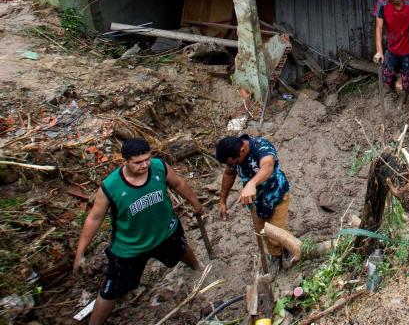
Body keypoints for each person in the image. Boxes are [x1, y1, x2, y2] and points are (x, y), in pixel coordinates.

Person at [73, 139, 204, 325]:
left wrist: (195, 203)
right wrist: (80, 252)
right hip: (129, 248)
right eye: (138, 162)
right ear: (124, 160)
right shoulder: (111, 186)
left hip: (165, 232)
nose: (144, 165)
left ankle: (199, 272)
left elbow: (179, 183)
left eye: (147, 159)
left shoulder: (158, 167)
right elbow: (94, 218)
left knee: (182, 250)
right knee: (111, 291)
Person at [216, 134, 291, 273]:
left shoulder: (261, 146)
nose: (235, 165)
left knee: (276, 233)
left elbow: (267, 165)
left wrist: (251, 183)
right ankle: (276, 255)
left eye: (236, 162)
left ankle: (288, 250)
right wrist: (222, 200)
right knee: (263, 232)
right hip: (256, 203)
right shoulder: (235, 158)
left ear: (243, 149)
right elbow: (229, 174)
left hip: (277, 196)